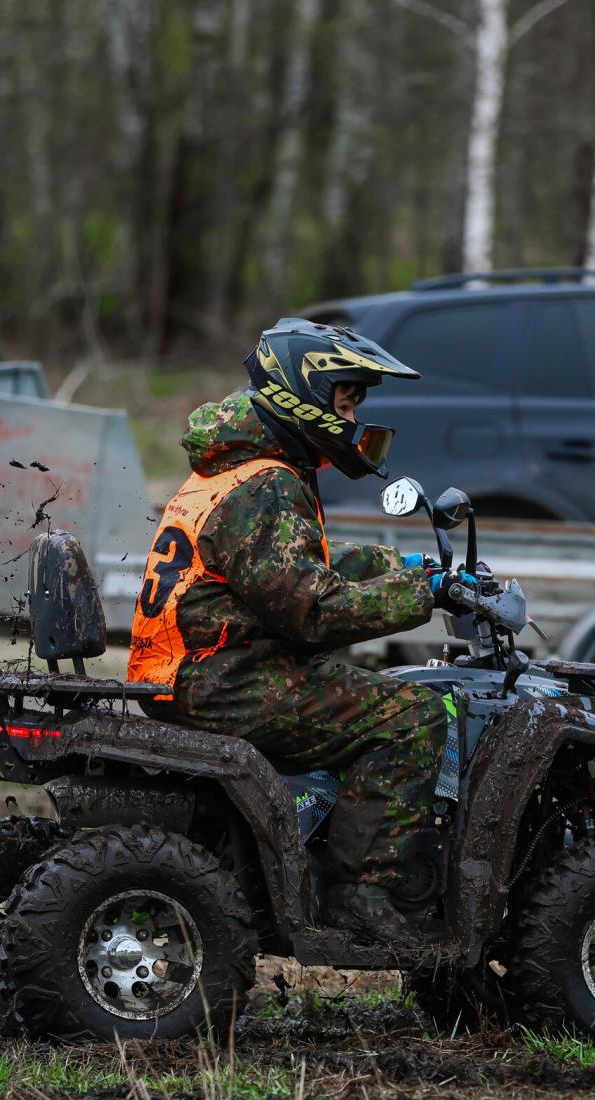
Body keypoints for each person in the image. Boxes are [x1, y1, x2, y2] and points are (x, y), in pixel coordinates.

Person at [128, 317, 469, 944]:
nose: (356, 412)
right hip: (226, 680)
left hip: (200, 669)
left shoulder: (238, 467)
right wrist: (426, 594)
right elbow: (310, 612)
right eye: (348, 397)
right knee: (413, 716)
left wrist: (409, 566)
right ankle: (360, 896)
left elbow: (286, 575)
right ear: (304, 392)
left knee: (366, 694)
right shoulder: (265, 485)